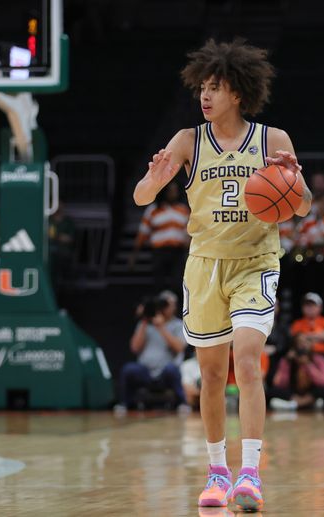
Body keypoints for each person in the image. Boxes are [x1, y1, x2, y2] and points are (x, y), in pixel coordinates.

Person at [132, 39, 313, 512]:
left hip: (256, 262)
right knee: (212, 375)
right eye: (202, 88)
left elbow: (303, 205)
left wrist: (294, 180)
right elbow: (141, 198)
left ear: (238, 92)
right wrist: (153, 178)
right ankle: (217, 473)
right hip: (205, 267)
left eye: (215, 88)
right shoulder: (188, 141)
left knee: (248, 360)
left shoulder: (273, 140)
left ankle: (250, 474)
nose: (205, 97)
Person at [116, 292, 187, 411]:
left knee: (172, 370)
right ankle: (125, 403)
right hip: (145, 371)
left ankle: (182, 403)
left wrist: (161, 327)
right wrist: (144, 319)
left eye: (169, 305)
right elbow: (134, 348)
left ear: (174, 307)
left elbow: (179, 348)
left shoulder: (178, 325)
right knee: (128, 369)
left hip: (165, 372)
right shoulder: (145, 324)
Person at [131, 182, 190, 294]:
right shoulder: (153, 209)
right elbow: (143, 233)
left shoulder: (183, 209)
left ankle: (176, 310)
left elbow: (189, 232)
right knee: (158, 284)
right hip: (159, 252)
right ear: (165, 192)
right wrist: (134, 255)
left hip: (177, 252)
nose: (174, 193)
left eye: (175, 190)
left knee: (178, 283)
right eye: (171, 190)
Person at [268, 333, 324, 411]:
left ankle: (297, 404)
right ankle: (304, 403)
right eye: (299, 343)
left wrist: (308, 365)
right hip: (293, 393)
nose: (303, 345)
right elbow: (279, 384)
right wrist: (287, 363)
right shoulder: (287, 360)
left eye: (306, 342)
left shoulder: (319, 359)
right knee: (271, 391)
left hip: (310, 393)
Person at [289, 293, 324, 371]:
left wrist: (308, 336)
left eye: (313, 305)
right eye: (307, 305)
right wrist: (321, 336)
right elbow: (297, 339)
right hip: (304, 355)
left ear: (320, 307)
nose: (310, 308)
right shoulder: (297, 323)